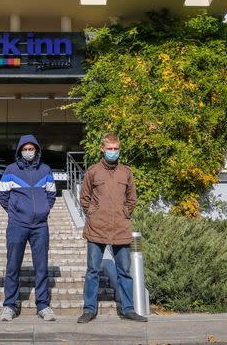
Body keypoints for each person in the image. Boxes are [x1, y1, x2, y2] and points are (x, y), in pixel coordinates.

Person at [77, 133, 148, 323]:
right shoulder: (92, 171)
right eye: (110, 149)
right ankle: (89, 309)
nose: (113, 152)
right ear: (102, 149)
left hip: (121, 229)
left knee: (124, 271)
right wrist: (93, 212)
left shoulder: (126, 172)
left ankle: (128, 309)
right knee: (92, 271)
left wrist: (125, 212)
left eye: (116, 149)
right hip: (96, 227)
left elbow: (132, 198)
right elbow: (84, 198)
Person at [0, 135, 57, 322]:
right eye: (25, 149)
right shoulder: (10, 170)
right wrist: (16, 212)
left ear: (37, 150)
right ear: (20, 151)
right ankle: (10, 305)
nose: (29, 152)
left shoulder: (46, 170)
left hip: (40, 226)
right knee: (13, 266)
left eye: (32, 149)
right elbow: (3, 196)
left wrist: (43, 210)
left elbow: (51, 194)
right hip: (17, 225)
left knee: (41, 267)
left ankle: (43, 305)